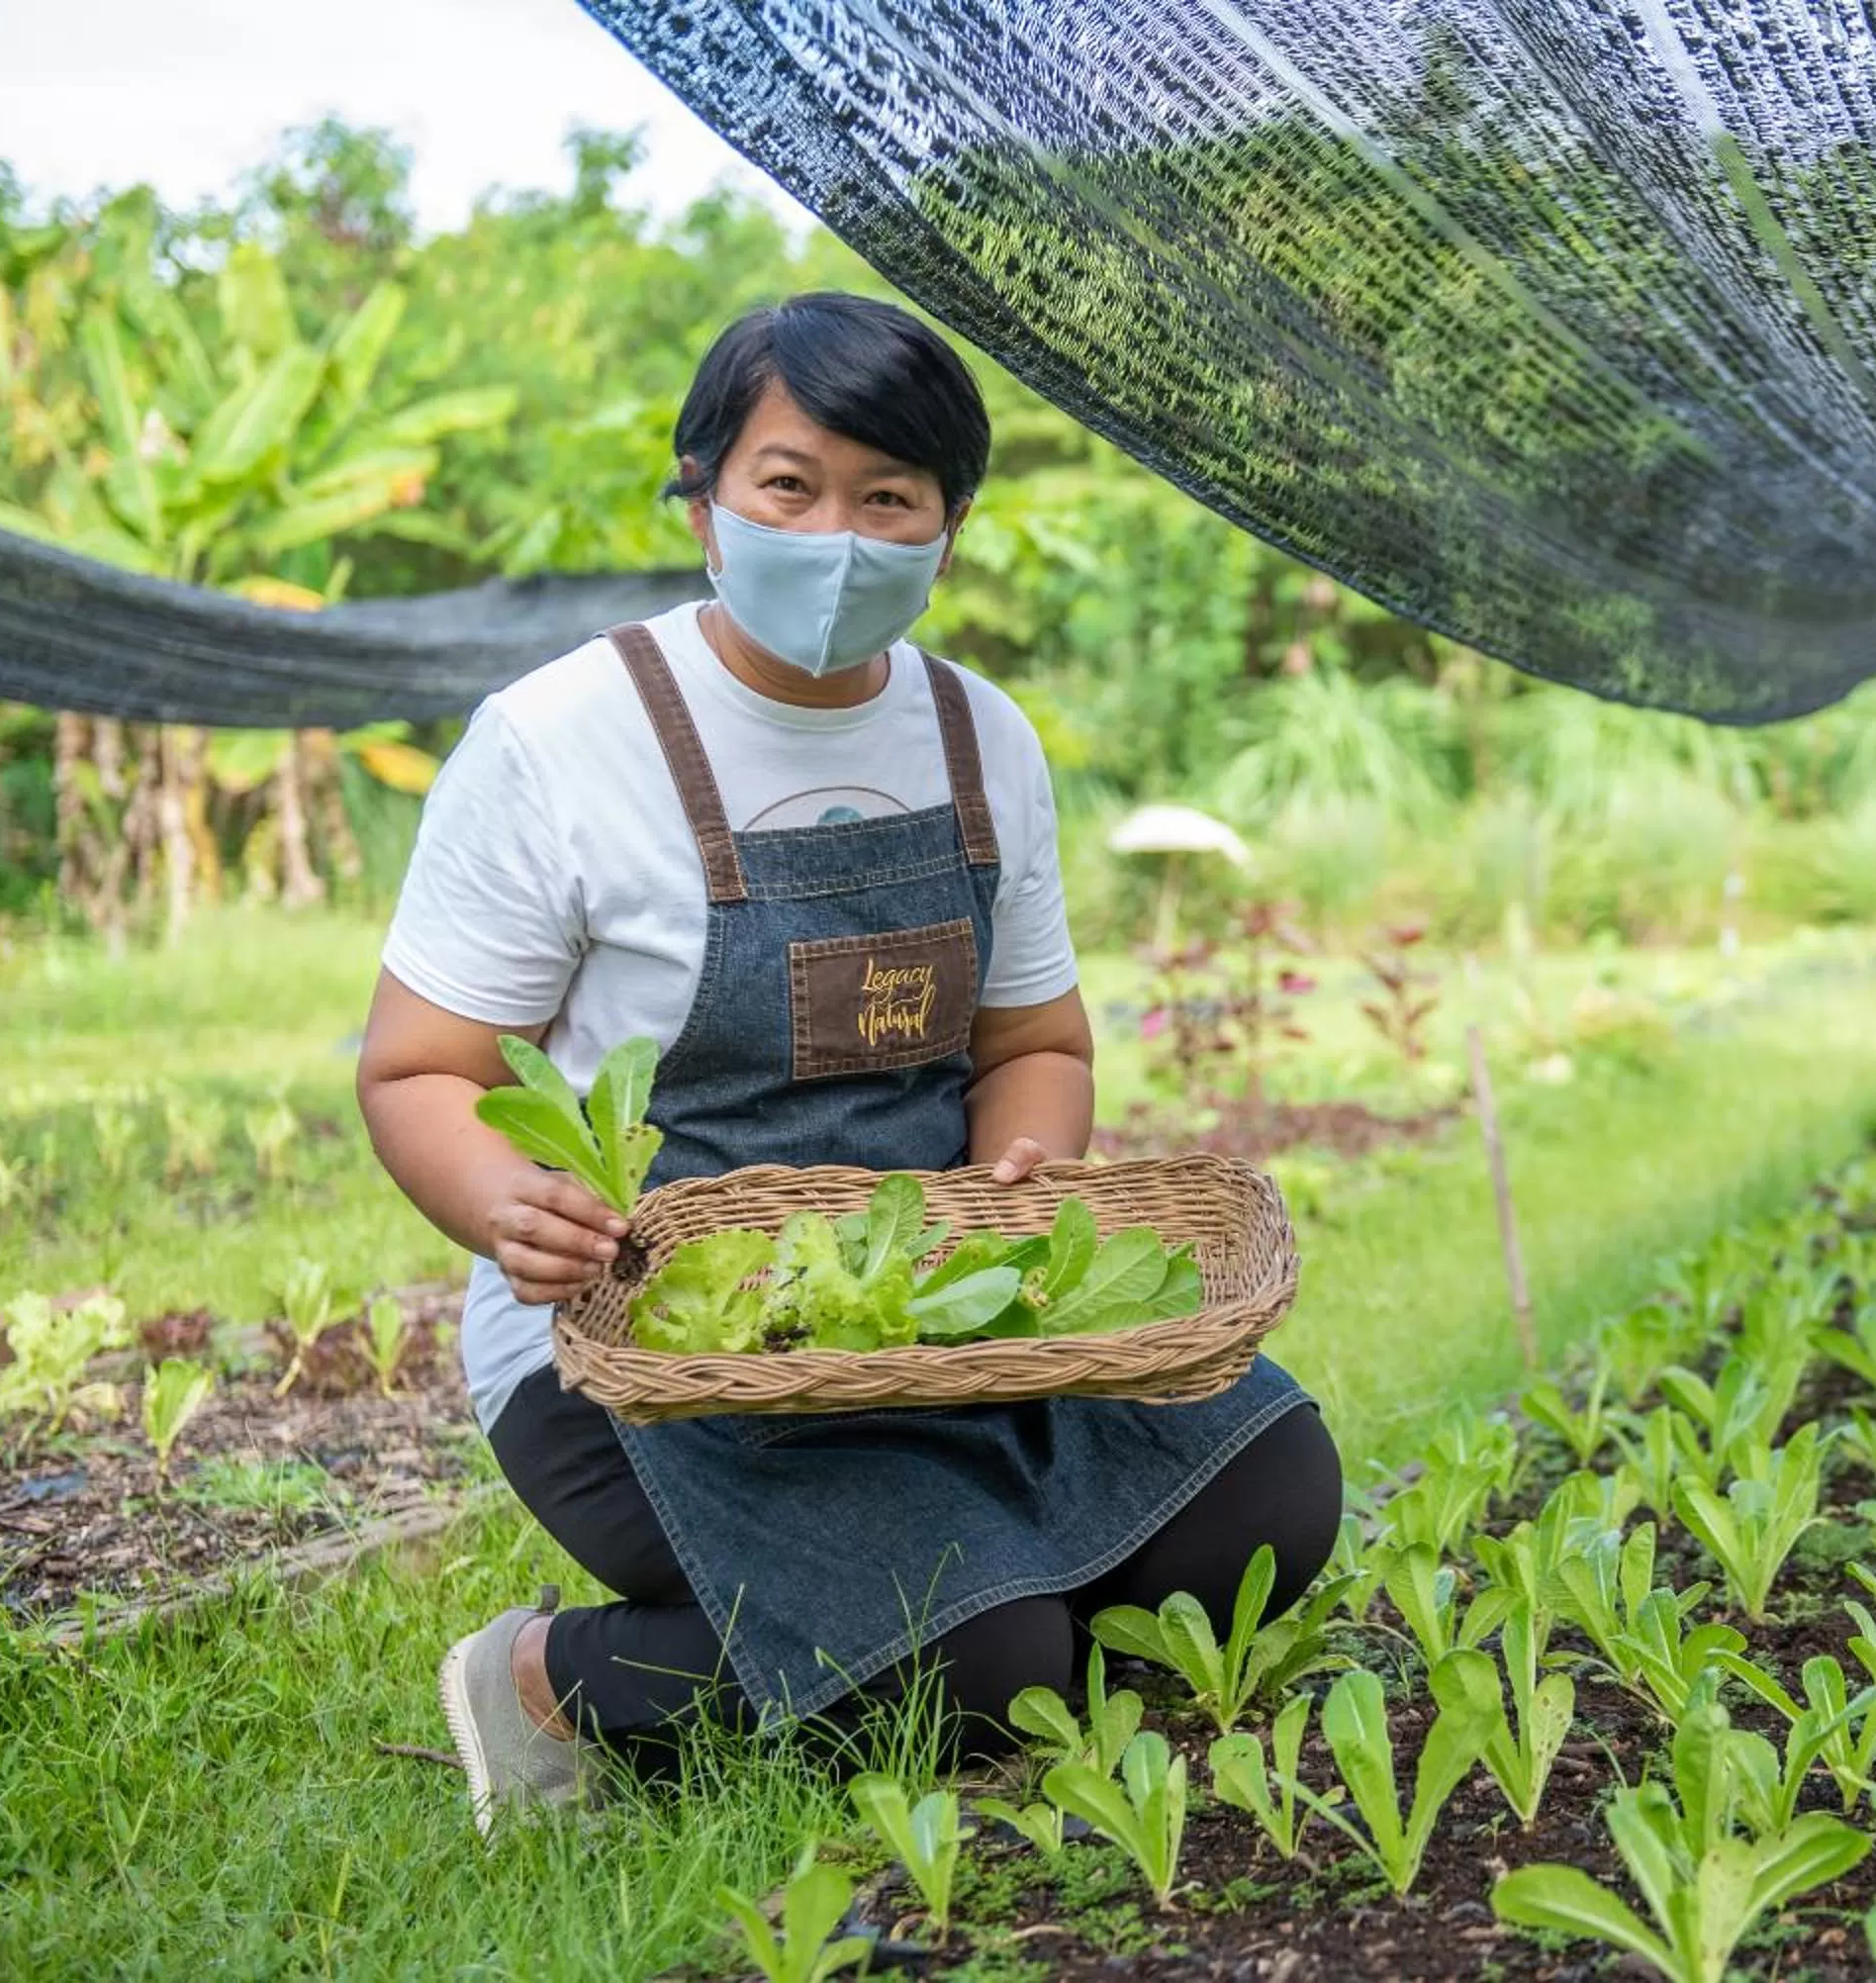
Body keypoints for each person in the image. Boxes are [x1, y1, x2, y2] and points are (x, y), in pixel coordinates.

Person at [356, 293, 1339, 1833]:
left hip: (933, 1310)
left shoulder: (979, 738)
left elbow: (1035, 1045)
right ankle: (550, 1680)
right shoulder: (560, 740)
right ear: (704, 501)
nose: (838, 538)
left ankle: (986, 1618)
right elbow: (418, 1070)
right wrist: (504, 1204)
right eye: (790, 486)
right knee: (980, 1664)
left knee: (1270, 1491)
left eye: (890, 498)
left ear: (948, 531)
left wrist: (1023, 1176)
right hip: (652, 1346)